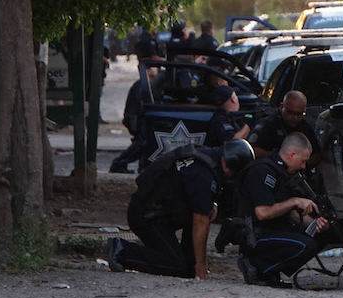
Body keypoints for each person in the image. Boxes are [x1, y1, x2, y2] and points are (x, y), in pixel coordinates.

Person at [104, 140, 255, 279]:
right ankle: (122, 250)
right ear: (230, 165)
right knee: (175, 265)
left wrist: (210, 204)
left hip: (155, 210)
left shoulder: (206, 157)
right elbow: (199, 222)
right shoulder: (203, 174)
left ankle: (190, 263)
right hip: (147, 216)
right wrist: (201, 265)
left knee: (187, 269)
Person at [235, 132, 330, 286]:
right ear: (292, 154)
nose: (304, 166)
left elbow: (289, 214)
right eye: (303, 161)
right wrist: (294, 201)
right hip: (256, 236)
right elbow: (263, 213)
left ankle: (269, 273)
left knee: (319, 238)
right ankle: (255, 266)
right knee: (306, 245)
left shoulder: (284, 174)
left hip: (274, 230)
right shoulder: (263, 170)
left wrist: (317, 224)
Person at [110, 66, 160, 174]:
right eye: (154, 67)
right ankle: (119, 163)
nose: (157, 69)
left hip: (139, 119)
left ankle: (143, 166)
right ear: (147, 70)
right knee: (142, 143)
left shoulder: (149, 85)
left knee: (145, 143)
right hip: (135, 120)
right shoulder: (141, 85)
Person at [247, 90, 319, 161]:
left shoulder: (305, 127)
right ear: (282, 107)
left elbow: (317, 153)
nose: (295, 117)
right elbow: (252, 150)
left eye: (299, 114)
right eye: (291, 113)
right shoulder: (268, 124)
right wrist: (279, 157)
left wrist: (303, 162)